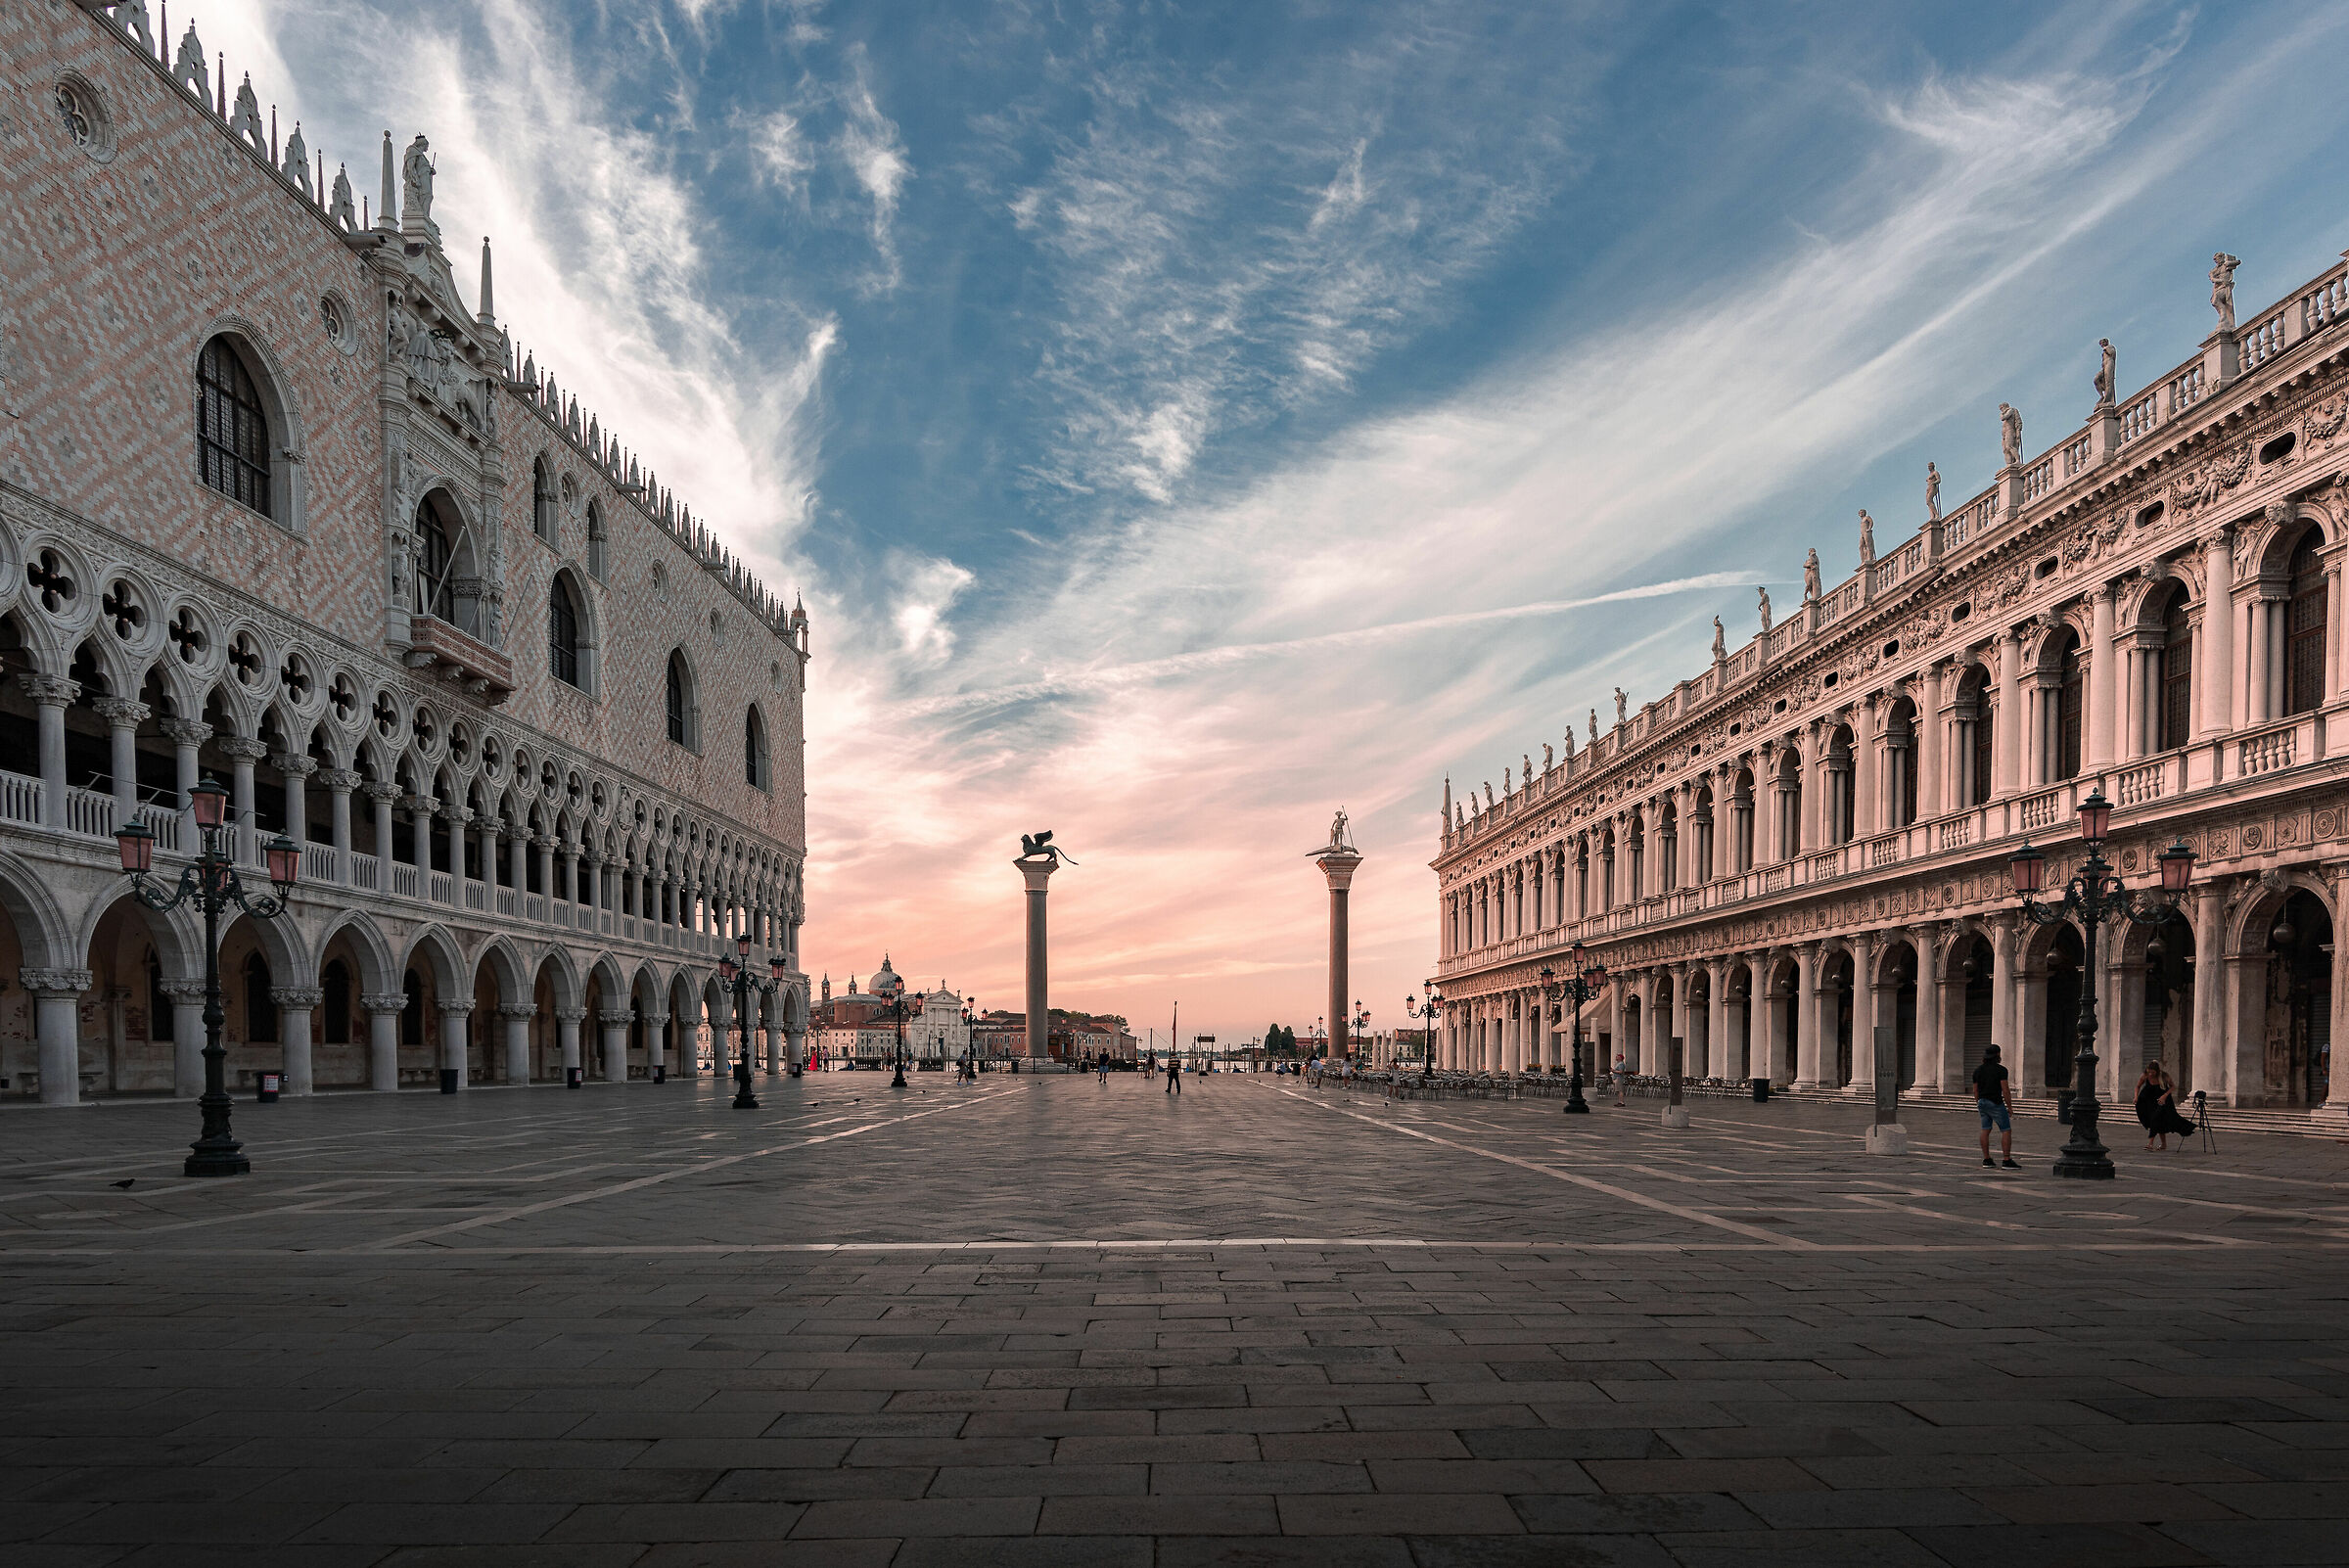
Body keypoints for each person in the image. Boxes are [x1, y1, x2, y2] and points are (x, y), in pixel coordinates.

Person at [1974, 1044, 2018, 1168]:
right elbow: (2005, 1090)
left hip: (1982, 1102)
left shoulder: (1977, 1070)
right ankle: (2006, 1159)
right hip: (1995, 1102)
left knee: (1985, 1129)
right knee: (2006, 1130)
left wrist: (1979, 1102)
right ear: (1998, 1055)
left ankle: (1987, 1159)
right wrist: (2009, 1107)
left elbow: (1975, 1090)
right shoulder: (2001, 1070)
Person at [2136, 1062, 2196, 1151]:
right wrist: (2136, 1096)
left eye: (2152, 1072)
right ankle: (2163, 1145)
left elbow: (2172, 1087)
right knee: (2158, 1121)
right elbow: (2137, 1086)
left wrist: (2164, 1096)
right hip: (2150, 1101)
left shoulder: (2164, 1076)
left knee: (2156, 1119)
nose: (2151, 1074)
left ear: (2157, 1071)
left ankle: (2150, 1144)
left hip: (2164, 1101)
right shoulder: (2145, 1076)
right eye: (2149, 1072)